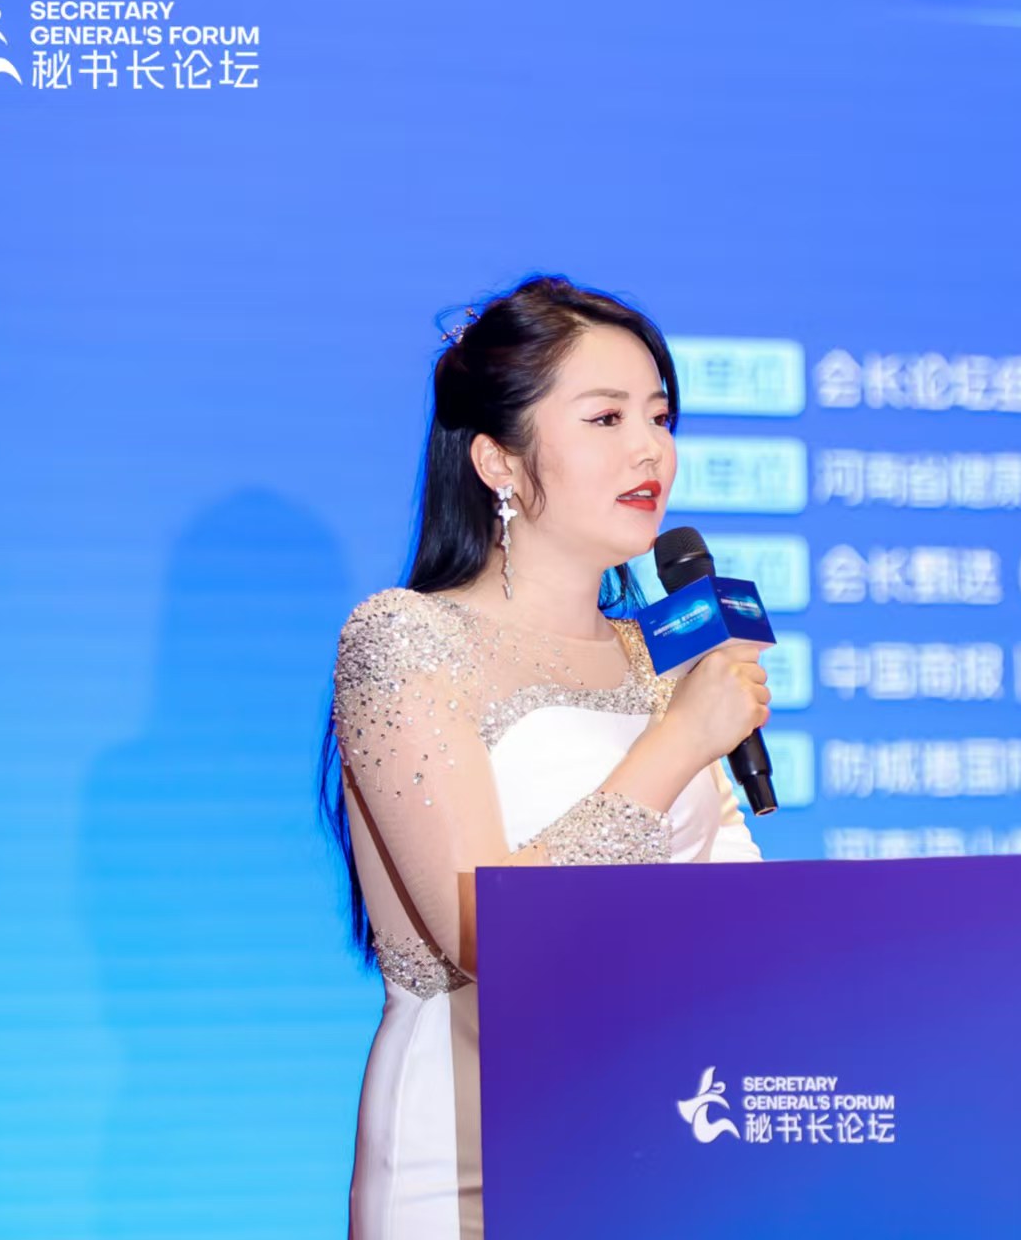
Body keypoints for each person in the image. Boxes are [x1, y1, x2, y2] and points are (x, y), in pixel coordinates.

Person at [318, 273, 768, 1238]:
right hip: (473, 1167)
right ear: (498, 460)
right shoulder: (403, 638)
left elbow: (737, 916)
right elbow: (487, 932)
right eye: (606, 418)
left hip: (657, 1148)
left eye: (659, 416)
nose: (650, 448)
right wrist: (678, 742)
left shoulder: (662, 656)